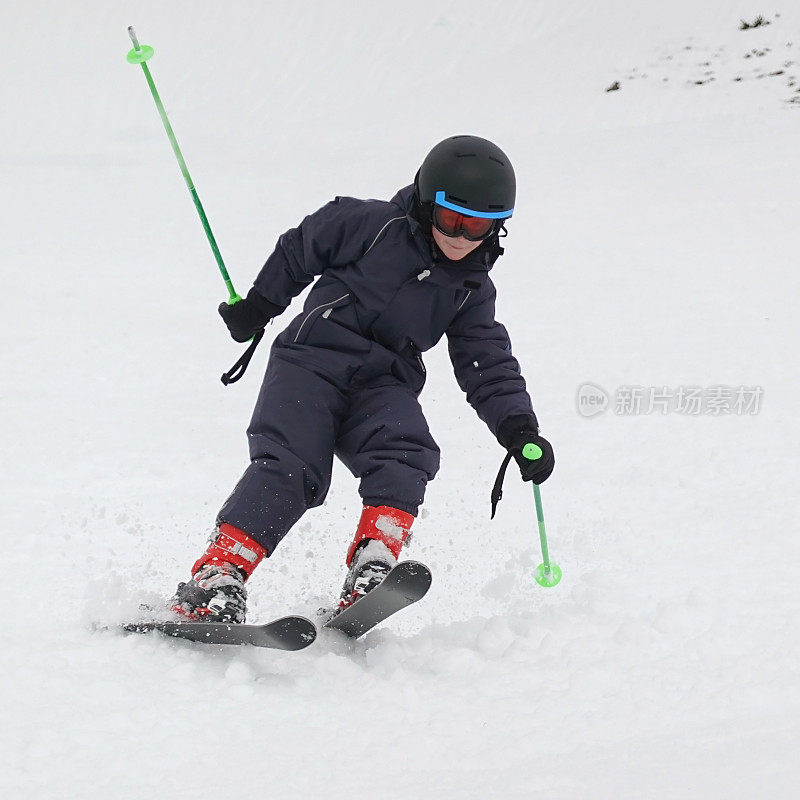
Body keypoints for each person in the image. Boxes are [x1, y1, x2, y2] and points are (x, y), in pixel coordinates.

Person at [170, 135, 555, 623]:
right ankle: (218, 575)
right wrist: (259, 306)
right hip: (310, 361)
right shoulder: (367, 224)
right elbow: (300, 248)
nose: (461, 236)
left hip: (384, 382)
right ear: (425, 200)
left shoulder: (471, 289)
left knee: (406, 449)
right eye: (452, 218)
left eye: (478, 226)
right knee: (292, 467)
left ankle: (374, 561)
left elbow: (487, 361)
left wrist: (519, 428)